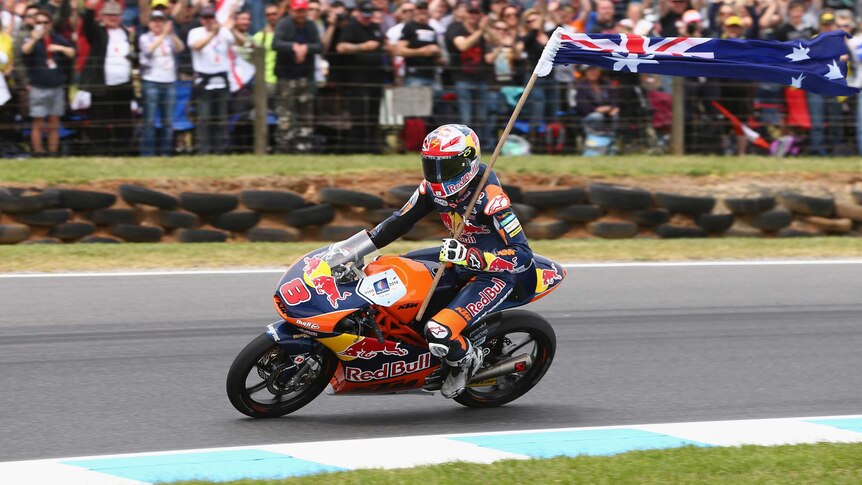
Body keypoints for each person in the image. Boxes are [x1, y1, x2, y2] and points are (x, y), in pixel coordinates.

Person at [369, 124, 534, 398]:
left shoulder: (492, 199)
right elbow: (399, 221)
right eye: (430, 166)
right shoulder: (430, 189)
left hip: (493, 273)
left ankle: (465, 361)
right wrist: (354, 246)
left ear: (467, 162)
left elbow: (522, 255)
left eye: (444, 167)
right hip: (455, 257)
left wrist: (471, 256)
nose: (436, 175)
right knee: (387, 266)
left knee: (438, 330)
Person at [81, 0, 136, 155]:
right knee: (99, 119)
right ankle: (99, 150)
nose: (113, 18)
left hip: (123, 83)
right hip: (102, 83)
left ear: (121, 16)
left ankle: (123, 150)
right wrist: (90, 9)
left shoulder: (127, 33)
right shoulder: (98, 32)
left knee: (123, 119)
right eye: (109, 15)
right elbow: (87, 26)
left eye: (116, 15)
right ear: (102, 16)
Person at [21, 9, 75, 156]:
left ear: (51, 24)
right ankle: (38, 153)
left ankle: (52, 153)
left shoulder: (57, 38)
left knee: (54, 123)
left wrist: (60, 48)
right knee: (37, 123)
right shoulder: (30, 38)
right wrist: (34, 39)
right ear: (34, 24)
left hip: (56, 86)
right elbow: (25, 51)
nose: (43, 25)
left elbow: (72, 52)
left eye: (46, 22)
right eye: (39, 22)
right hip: (38, 86)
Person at [187, 5, 239, 154]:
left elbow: (239, 42)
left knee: (221, 119)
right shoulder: (195, 32)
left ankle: (220, 150)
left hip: (221, 81)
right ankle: (204, 151)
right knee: (204, 119)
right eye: (205, 18)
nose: (208, 21)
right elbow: (197, 46)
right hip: (204, 82)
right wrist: (212, 34)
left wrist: (230, 27)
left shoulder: (224, 32)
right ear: (201, 19)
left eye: (211, 17)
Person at [335, 0, 386, 153]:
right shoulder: (351, 27)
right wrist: (362, 47)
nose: (367, 18)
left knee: (373, 115)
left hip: (376, 79)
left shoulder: (375, 28)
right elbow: (341, 47)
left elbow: (384, 45)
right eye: (365, 15)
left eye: (370, 15)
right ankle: (356, 148)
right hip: (357, 80)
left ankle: (373, 147)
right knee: (359, 115)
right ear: (357, 13)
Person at [273, 0, 322, 153]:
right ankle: (284, 147)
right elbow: (276, 44)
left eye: (303, 11)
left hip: (305, 76)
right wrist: (293, 47)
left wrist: (305, 48)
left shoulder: (311, 26)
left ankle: (304, 147)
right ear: (291, 11)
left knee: (305, 114)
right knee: (285, 114)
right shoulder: (284, 24)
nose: (300, 14)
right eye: (297, 11)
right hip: (286, 77)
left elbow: (320, 46)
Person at [138, 10, 184, 156]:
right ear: (149, 23)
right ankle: (148, 154)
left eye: (161, 21)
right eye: (154, 21)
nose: (158, 24)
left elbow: (180, 48)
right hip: (151, 81)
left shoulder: (169, 38)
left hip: (169, 82)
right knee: (149, 121)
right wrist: (163, 34)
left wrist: (171, 34)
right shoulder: (145, 37)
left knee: (168, 121)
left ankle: (166, 153)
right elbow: (148, 50)